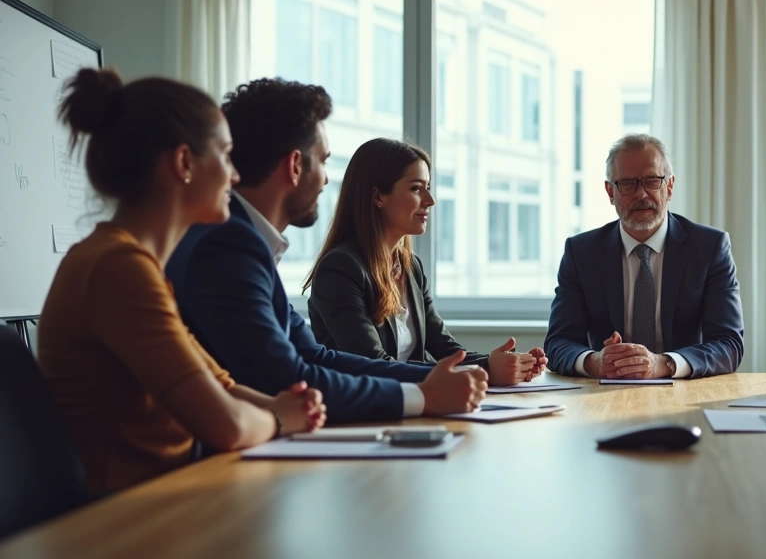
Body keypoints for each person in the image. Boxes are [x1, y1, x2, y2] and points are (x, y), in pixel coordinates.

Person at [39, 69, 325, 494]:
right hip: (126, 520)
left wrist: (279, 405)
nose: (233, 175)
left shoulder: (136, 265)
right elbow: (226, 425)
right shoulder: (117, 268)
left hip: (169, 497)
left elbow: (220, 386)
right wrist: (283, 419)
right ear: (184, 163)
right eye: (226, 156)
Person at [167, 78, 486, 422]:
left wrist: (433, 381)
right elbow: (284, 377)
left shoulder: (248, 241)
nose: (325, 179)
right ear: (294, 165)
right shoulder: (228, 244)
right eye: (323, 161)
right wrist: (421, 396)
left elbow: (314, 356)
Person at [306, 138, 546, 384]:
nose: (430, 200)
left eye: (427, 187)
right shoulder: (340, 269)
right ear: (378, 196)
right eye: (416, 188)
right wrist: (484, 371)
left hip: (415, 407)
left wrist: (504, 364)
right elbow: (372, 363)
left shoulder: (411, 267)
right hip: (360, 413)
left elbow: (444, 348)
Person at [544, 134, 744, 379]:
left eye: (652, 181)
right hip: (604, 397)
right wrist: (594, 362)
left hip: (684, 394)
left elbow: (729, 344)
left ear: (669, 187)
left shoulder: (709, 248)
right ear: (610, 191)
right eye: (627, 183)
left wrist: (663, 364)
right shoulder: (581, 252)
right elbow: (557, 343)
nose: (640, 194)